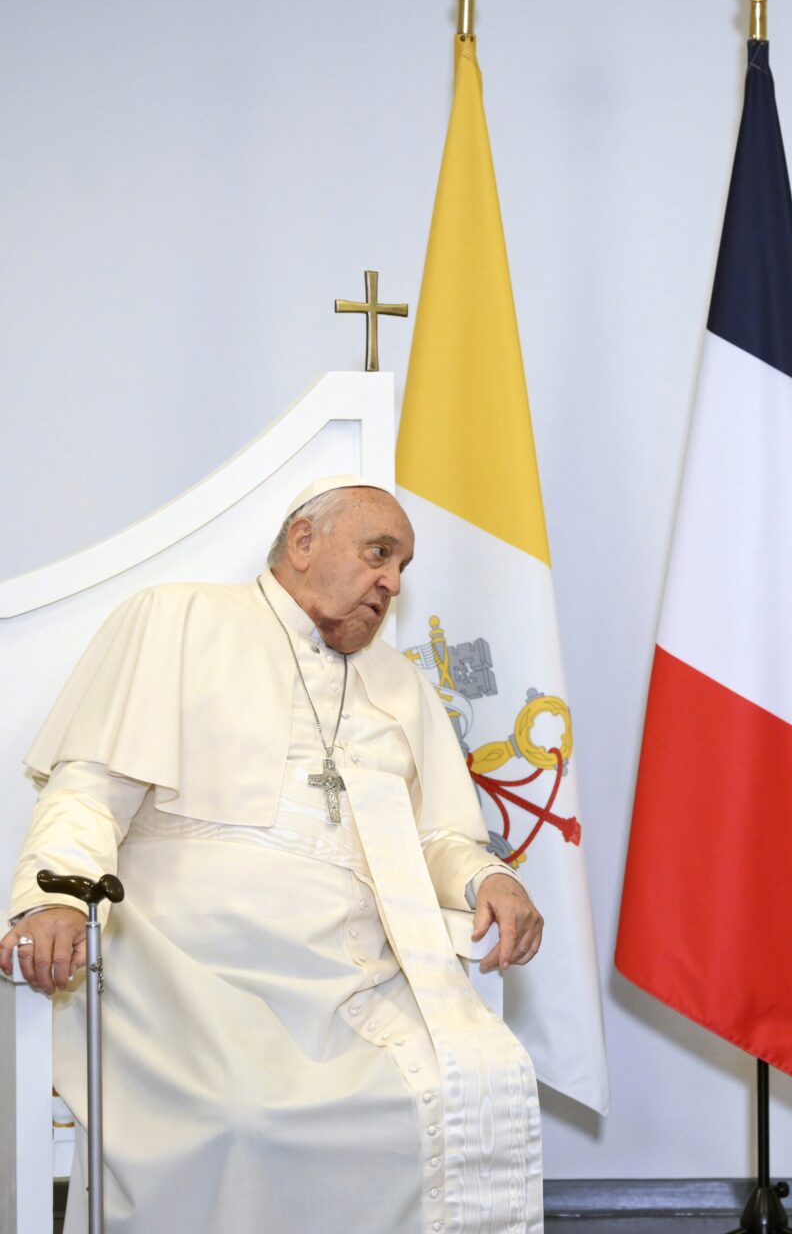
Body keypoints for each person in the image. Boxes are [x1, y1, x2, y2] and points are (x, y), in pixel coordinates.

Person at [1, 476, 546, 1234]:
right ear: (302, 543)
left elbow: (439, 839)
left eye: (402, 568)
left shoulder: (400, 684)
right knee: (241, 1121)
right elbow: (90, 789)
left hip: (355, 977)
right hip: (192, 970)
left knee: (456, 1098)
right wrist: (55, 897)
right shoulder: (180, 618)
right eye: (379, 553)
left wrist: (491, 876)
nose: (392, 582)